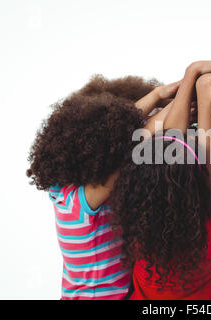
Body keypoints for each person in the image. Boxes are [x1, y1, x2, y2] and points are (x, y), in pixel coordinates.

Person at [26, 74, 179, 299]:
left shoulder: (60, 189)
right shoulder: (79, 204)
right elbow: (136, 144)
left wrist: (156, 96)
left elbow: (114, 132)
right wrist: (179, 103)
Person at [110, 61, 211, 299]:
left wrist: (191, 73)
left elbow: (139, 145)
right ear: (196, 186)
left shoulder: (136, 233)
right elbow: (210, 151)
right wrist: (203, 87)